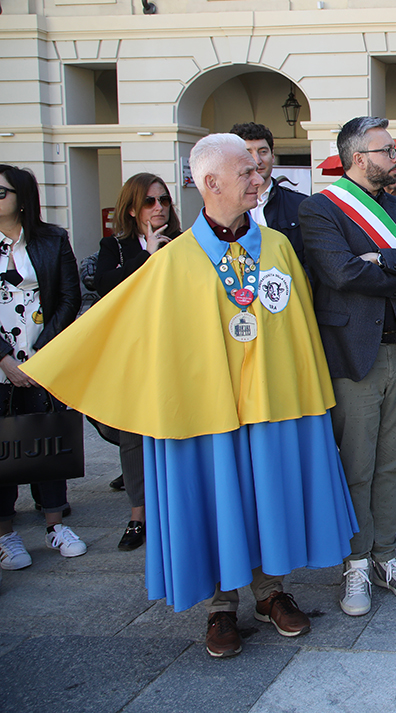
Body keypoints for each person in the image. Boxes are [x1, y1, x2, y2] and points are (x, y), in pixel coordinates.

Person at [25, 134, 359, 658]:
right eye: (246, 171)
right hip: (207, 411)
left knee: (266, 495)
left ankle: (270, 592)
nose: (258, 178)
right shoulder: (173, 260)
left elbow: (299, 327)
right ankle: (221, 607)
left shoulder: (277, 247)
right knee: (217, 499)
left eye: (257, 169)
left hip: (271, 404)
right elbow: (125, 328)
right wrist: (51, 365)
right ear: (211, 183)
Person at [300, 116, 396, 617]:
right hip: (352, 356)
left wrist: (380, 261)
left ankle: (386, 556)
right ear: (360, 158)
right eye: (388, 151)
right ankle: (356, 562)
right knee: (356, 467)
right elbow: (340, 273)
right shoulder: (319, 209)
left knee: (391, 465)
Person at [0, 165, 85, 571]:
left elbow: (70, 297)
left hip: (43, 357)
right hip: (1, 362)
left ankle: (55, 524)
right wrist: (5, 358)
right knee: (3, 446)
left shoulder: (52, 239)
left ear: (21, 197)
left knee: (46, 439)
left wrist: (43, 354)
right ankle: (7, 536)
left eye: (1, 192)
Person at [95, 172, 183, 552]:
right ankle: (138, 514)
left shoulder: (183, 242)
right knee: (133, 436)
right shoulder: (114, 247)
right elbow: (105, 287)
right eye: (150, 201)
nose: (159, 207)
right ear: (132, 209)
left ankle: (176, 507)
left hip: (175, 347)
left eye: (163, 200)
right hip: (132, 349)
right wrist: (147, 255)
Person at [230, 122, 309, 263]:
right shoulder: (226, 209)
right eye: (248, 153)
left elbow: (312, 263)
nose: (257, 160)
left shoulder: (301, 205)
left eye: (263, 152)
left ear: (272, 156)